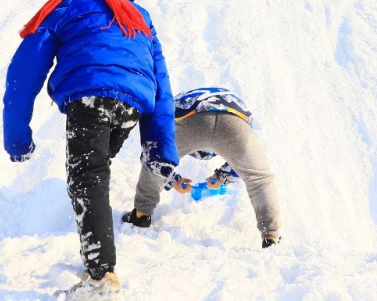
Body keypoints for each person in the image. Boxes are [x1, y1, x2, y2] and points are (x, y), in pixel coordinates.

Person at [2, 0, 178, 295]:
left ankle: (101, 277)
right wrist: (160, 143)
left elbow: (24, 72)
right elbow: (162, 80)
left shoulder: (69, 2)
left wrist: (17, 137)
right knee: (92, 173)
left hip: (90, 98)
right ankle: (97, 261)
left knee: (88, 177)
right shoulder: (139, 14)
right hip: (131, 106)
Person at [120, 87, 281, 249]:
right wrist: (221, 177)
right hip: (235, 119)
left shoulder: (178, 102)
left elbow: (154, 153)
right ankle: (271, 237)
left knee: (155, 160)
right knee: (259, 179)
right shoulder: (235, 102)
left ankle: (141, 214)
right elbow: (244, 159)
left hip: (187, 116)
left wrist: (173, 180)